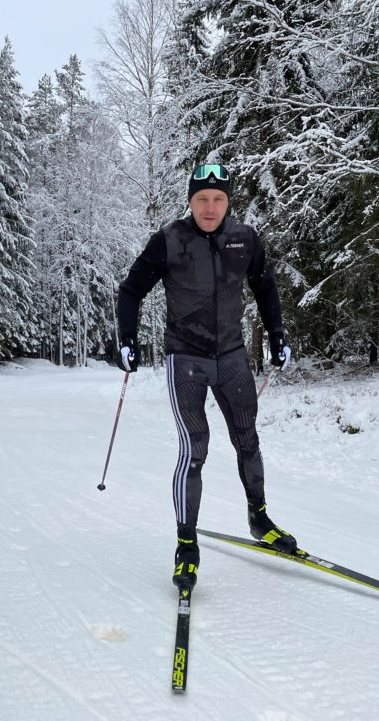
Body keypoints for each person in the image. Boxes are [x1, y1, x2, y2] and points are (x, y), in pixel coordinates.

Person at [116, 163, 296, 591]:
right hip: (187, 360)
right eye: (202, 199)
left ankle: (259, 517)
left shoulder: (245, 238)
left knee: (247, 439)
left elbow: (265, 287)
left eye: (218, 199)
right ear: (190, 201)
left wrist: (277, 335)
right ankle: (186, 545)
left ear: (228, 201)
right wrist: (126, 339)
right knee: (195, 449)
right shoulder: (169, 240)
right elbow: (131, 290)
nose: (210, 207)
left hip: (233, 357)